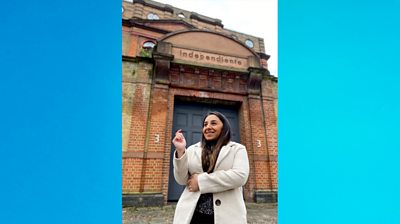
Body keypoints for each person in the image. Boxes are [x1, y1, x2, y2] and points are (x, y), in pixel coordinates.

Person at [171, 111, 250, 224]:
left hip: (227, 216)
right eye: (205, 124)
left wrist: (200, 181)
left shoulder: (237, 149)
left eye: (213, 123)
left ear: (224, 127)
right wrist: (180, 151)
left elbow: (240, 176)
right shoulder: (192, 149)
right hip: (193, 214)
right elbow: (181, 180)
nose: (208, 127)